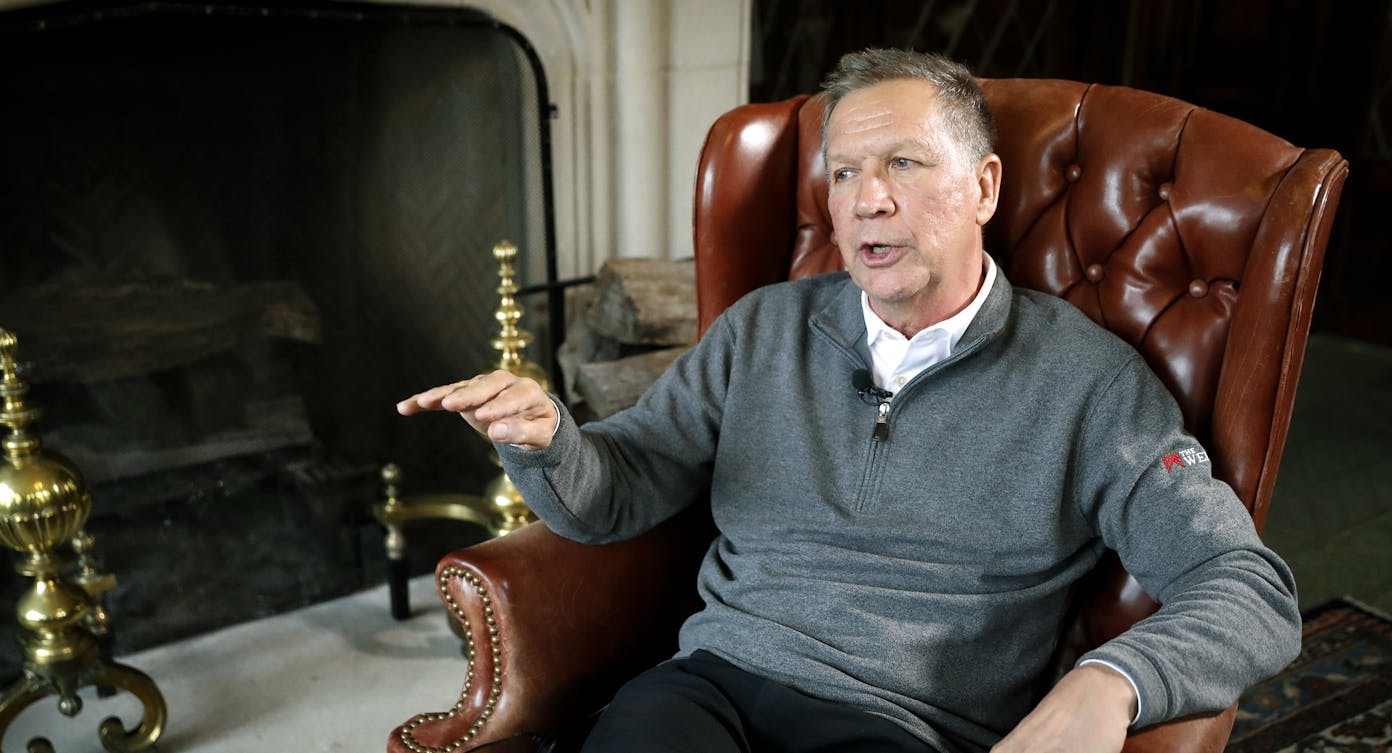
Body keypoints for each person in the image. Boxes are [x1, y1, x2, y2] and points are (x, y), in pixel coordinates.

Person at [397, 49, 1300, 753]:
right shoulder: (765, 331)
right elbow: (619, 487)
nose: (866, 202)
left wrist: (1112, 680)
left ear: (983, 185)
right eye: (841, 173)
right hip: (711, 681)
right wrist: (551, 437)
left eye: (904, 164)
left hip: (904, 721)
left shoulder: (1089, 383)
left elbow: (1251, 590)